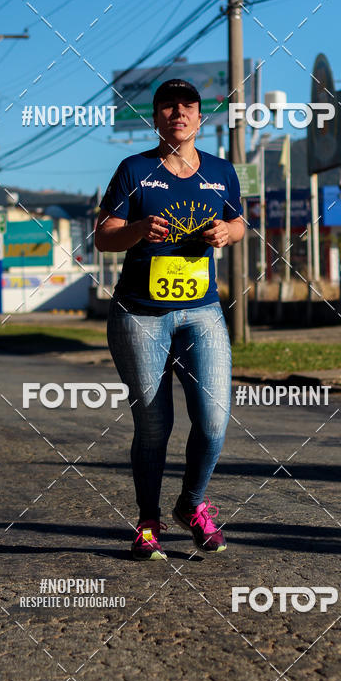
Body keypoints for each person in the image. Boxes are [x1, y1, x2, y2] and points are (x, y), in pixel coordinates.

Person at [95, 78, 245, 560]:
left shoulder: (222, 172)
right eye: (166, 106)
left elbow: (240, 220)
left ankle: (193, 505)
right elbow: (103, 235)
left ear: (200, 117)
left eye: (187, 106)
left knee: (214, 420)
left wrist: (228, 231)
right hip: (141, 314)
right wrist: (137, 230)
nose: (177, 113)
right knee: (154, 425)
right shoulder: (134, 169)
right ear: (155, 117)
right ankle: (147, 521)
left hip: (201, 311)